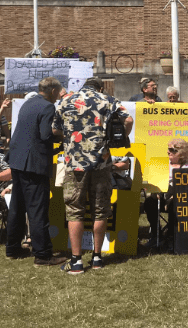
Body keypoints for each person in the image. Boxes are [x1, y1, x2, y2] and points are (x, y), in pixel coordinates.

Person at [54, 77, 132, 274]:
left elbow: (54, 128)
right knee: (100, 209)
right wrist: (120, 138)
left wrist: (70, 136)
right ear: (100, 87)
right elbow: (128, 119)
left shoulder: (66, 101)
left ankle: (77, 260)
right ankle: (97, 258)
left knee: (75, 210)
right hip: (102, 162)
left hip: (74, 163)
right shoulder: (108, 100)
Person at [6, 77, 67, 266]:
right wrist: (63, 137)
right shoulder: (48, 107)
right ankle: (42, 254)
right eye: (58, 91)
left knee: (17, 206)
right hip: (34, 164)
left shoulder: (28, 103)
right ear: (52, 91)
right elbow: (45, 135)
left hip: (17, 161)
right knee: (37, 209)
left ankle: (13, 248)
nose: (59, 95)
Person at [144, 138, 188, 249]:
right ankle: (156, 235)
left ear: (181, 153)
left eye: (171, 149)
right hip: (161, 196)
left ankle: (171, 236)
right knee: (149, 202)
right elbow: (153, 183)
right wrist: (156, 192)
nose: (168, 152)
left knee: (175, 202)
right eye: (168, 149)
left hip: (177, 198)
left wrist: (173, 196)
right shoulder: (161, 165)